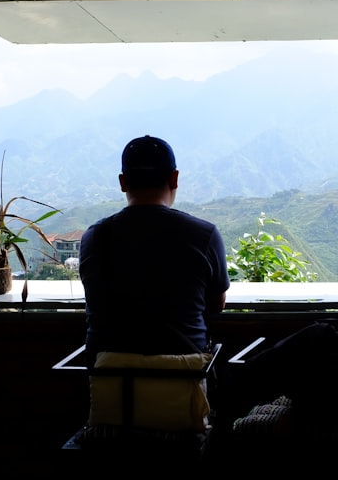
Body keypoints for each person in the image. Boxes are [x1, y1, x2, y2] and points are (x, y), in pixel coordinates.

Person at [79, 135, 230, 366]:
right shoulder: (204, 235)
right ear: (174, 178)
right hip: (186, 381)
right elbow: (216, 305)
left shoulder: (94, 237)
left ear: (122, 182)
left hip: (109, 387)